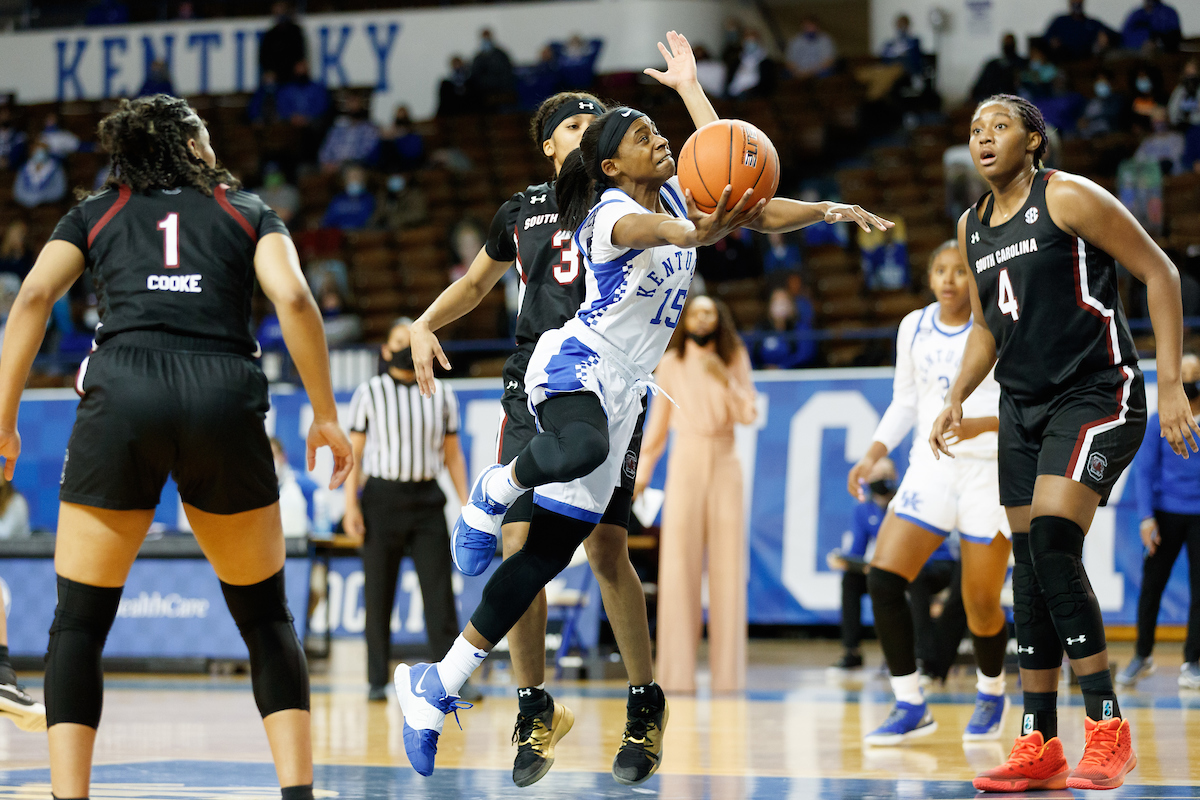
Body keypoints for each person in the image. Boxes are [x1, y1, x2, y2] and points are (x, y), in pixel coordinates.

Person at [397, 28, 891, 781]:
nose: (658, 141)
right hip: (574, 367)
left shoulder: (673, 188)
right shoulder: (605, 215)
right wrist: (694, 228)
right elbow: (659, 227)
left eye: (657, 132)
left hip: (627, 391)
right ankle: (491, 495)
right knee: (565, 471)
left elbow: (733, 166)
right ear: (600, 159)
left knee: (553, 555)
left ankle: (440, 682)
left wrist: (826, 207)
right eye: (639, 134)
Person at [0, 94, 352, 799]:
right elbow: (294, 301)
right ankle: (298, 793)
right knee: (263, 615)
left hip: (125, 389)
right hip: (223, 392)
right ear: (191, 145)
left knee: (78, 621)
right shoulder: (245, 208)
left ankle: (70, 796)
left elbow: (34, 297)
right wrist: (324, 414)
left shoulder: (95, 210)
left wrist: (4, 420)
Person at [936, 93, 1196, 792]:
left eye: (1000, 126)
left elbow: (1161, 273)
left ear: (1034, 141)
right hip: (1022, 407)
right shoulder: (970, 228)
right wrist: (959, 391)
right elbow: (989, 327)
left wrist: (1170, 383)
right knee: (1029, 564)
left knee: (1051, 539)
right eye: (975, 129)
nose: (984, 137)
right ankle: (1039, 739)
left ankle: (1107, 726)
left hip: (1097, 392)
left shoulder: (1069, 197)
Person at [407, 89, 658, 788]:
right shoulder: (520, 211)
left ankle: (644, 703)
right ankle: (533, 708)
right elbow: (475, 284)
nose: (588, 131)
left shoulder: (628, 200)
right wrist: (424, 323)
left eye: (595, 123)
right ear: (549, 144)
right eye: (573, 125)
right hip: (534, 383)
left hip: (609, 386)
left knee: (609, 550)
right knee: (519, 546)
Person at [850, 241, 1012, 745]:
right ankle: (910, 703)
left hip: (989, 470)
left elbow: (1026, 408)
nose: (949, 279)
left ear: (976, 278)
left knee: (980, 602)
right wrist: (874, 451)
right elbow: (905, 400)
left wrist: (980, 423)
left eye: (960, 271)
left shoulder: (1002, 324)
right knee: (882, 578)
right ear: (929, 276)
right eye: (940, 270)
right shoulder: (914, 325)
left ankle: (992, 691)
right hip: (931, 466)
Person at [634, 295, 757, 694]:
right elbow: (656, 431)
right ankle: (674, 675)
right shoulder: (669, 365)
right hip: (685, 460)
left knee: (728, 569)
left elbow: (749, 414)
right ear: (685, 319)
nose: (703, 318)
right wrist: (641, 477)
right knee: (678, 567)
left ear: (719, 319)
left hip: (725, 460)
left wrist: (726, 378)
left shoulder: (733, 356)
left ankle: (728, 678)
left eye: (710, 312)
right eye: (696, 312)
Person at [343, 319, 469, 703]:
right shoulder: (369, 392)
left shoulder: (443, 394)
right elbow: (355, 454)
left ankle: (450, 677)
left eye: (409, 342)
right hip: (381, 499)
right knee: (379, 593)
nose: (403, 347)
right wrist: (350, 505)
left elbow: (452, 455)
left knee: (439, 594)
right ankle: (376, 680)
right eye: (397, 342)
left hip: (428, 500)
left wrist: (468, 504)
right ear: (386, 350)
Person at [1119, 353, 1200, 689]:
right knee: (1151, 587)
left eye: (1195, 373)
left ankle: (1192, 662)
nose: (1191, 378)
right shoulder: (1159, 421)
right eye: (1185, 373)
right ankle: (1142, 655)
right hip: (1165, 514)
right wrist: (1146, 517)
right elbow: (1144, 471)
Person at [827, 458, 896, 670]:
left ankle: (895, 655)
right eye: (874, 477)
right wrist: (848, 561)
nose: (879, 481)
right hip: (877, 569)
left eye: (884, 476)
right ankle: (852, 651)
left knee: (893, 586)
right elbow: (856, 550)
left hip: (902, 569)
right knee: (850, 581)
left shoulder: (903, 505)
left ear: (894, 479)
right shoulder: (864, 510)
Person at [753, 285, 817, 369]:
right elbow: (752, 355)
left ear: (791, 306)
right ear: (770, 306)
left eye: (784, 302)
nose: (780, 306)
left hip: (794, 376)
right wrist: (761, 368)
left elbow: (805, 355)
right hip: (765, 377)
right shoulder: (761, 329)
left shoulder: (801, 328)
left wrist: (782, 367)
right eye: (776, 302)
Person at [318, 94, 380, 173]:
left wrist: (339, 164)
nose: (353, 107)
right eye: (350, 104)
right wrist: (326, 163)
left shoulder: (369, 129)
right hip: (331, 165)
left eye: (356, 103)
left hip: (353, 165)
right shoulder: (337, 128)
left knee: (350, 168)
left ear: (361, 106)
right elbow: (326, 150)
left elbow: (364, 153)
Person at [1043, 0, 1117, 62]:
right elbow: (1046, 38)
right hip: (1064, 61)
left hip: (1088, 61)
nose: (1076, 3)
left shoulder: (1092, 23)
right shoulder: (1060, 21)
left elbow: (1114, 35)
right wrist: (1052, 41)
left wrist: (1105, 36)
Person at [259, 2, 307, 85]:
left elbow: (301, 52)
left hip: (293, 71)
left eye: (282, 9)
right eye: (277, 10)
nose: (280, 13)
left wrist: (300, 64)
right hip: (276, 73)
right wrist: (269, 71)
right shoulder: (270, 35)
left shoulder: (295, 31)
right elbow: (264, 57)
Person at [972, 34, 1027, 102]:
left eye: (1010, 43)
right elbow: (979, 88)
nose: (1008, 45)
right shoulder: (993, 64)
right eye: (1006, 43)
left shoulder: (1022, 63)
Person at [13, 141, 66, 209]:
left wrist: (41, 197)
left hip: (48, 207)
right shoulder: (24, 168)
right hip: (25, 207)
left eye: (42, 151)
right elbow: (17, 191)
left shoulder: (56, 168)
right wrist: (29, 199)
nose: (39, 153)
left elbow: (59, 190)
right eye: (37, 150)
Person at [321, 164, 375, 231]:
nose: (355, 180)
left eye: (358, 176)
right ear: (345, 180)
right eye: (352, 176)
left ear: (364, 179)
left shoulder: (370, 199)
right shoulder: (337, 199)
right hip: (338, 235)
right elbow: (327, 222)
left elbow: (373, 222)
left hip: (361, 236)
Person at [1168, 59, 1200, 129]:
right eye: (1188, 73)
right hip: (1182, 125)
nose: (1191, 77)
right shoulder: (1180, 89)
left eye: (1193, 74)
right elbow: (1173, 109)